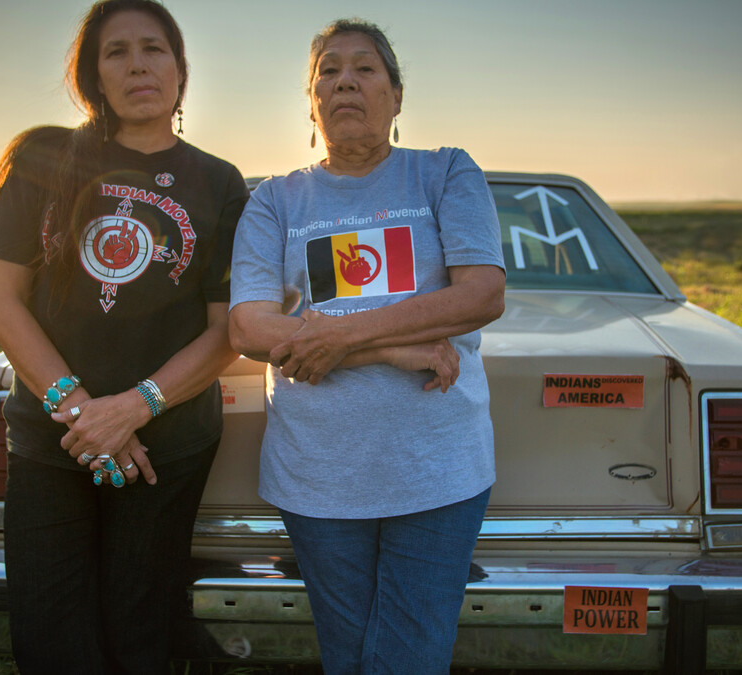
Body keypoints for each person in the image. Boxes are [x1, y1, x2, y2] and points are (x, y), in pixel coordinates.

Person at [0, 1, 247, 671]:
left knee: (141, 632)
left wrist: (133, 408)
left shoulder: (219, 180)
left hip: (164, 448)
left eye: (155, 48)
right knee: (52, 637)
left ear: (181, 68)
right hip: (54, 441)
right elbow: (1, 302)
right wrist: (86, 411)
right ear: (94, 73)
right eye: (116, 51)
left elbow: (224, 330)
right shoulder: (44, 157)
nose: (138, 64)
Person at [227, 18, 506, 674]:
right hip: (316, 477)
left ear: (397, 95)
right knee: (348, 655)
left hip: (437, 472)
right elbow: (248, 328)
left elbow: (481, 294)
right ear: (311, 98)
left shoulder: (444, 174)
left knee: (407, 657)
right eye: (328, 69)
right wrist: (386, 350)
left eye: (365, 68)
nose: (345, 79)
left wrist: (346, 332)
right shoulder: (274, 200)